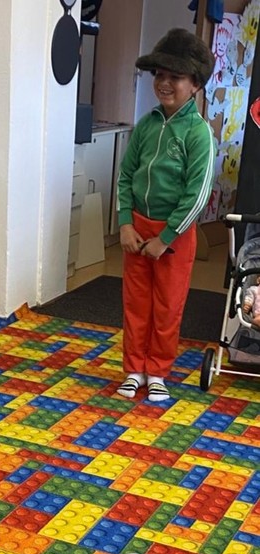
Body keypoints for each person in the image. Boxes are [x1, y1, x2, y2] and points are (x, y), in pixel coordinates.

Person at [116, 28, 216, 402]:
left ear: (195, 84)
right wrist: (125, 223)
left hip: (174, 235)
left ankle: (157, 370)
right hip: (137, 229)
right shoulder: (146, 125)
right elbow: (126, 175)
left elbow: (197, 195)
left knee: (167, 306)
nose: (164, 83)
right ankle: (134, 369)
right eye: (159, 74)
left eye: (176, 76)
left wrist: (166, 238)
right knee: (136, 303)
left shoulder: (199, 134)